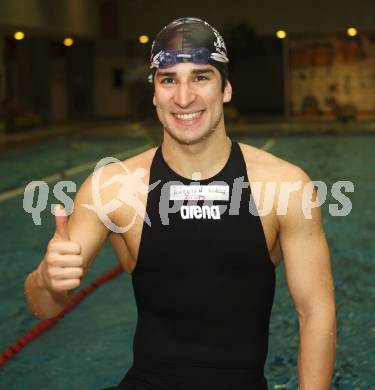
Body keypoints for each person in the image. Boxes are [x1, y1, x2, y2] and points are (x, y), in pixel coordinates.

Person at [24, 17, 336, 390]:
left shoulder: (284, 185)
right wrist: (46, 279)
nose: (183, 97)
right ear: (154, 93)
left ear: (226, 89)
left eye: (201, 77)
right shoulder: (113, 187)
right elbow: (44, 308)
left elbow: (315, 311)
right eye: (168, 79)